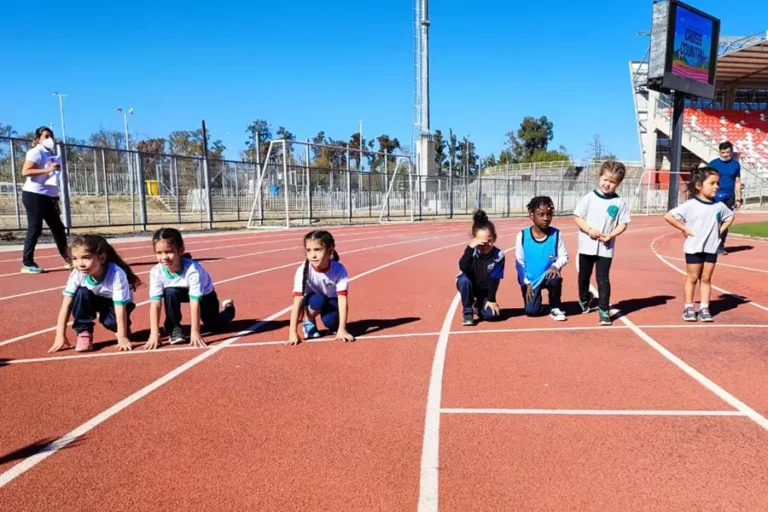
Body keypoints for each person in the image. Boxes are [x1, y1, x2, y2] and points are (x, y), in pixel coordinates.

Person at [144, 228, 235, 350]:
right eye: (159, 253)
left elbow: (195, 301)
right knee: (170, 291)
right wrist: (154, 334)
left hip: (204, 295)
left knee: (214, 326)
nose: (164, 257)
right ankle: (174, 327)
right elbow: (155, 303)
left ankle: (229, 310)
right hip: (177, 292)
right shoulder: (156, 271)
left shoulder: (193, 270)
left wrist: (195, 331)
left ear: (181, 250)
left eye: (169, 252)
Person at [664, 167, 735, 322]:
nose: (716, 186)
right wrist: (684, 228)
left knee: (706, 278)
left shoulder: (719, 205)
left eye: (717, 183)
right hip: (694, 247)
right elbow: (669, 216)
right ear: (699, 185)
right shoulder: (691, 205)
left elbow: (730, 217)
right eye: (712, 183)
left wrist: (719, 231)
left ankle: (704, 307)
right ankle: (689, 307)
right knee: (693, 277)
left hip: (711, 247)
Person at [49, 235, 141, 353]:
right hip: (92, 299)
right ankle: (83, 332)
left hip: (114, 304)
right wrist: (60, 335)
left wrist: (122, 337)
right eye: (75, 258)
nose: (80, 264)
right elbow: (66, 305)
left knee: (111, 323)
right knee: (82, 292)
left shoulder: (116, 274)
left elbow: (120, 307)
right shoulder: (77, 273)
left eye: (86, 258)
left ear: (102, 258)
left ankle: (122, 328)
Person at [573, 160, 631, 326]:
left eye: (612, 182)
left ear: (618, 184)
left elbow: (623, 224)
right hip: (586, 246)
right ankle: (584, 298)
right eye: (605, 179)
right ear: (600, 178)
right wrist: (589, 230)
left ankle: (603, 310)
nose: (608, 184)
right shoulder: (589, 198)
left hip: (605, 249)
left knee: (602, 279)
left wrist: (611, 235)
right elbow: (578, 217)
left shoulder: (619, 203)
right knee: (583, 277)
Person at [288, 230, 354, 345]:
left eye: (317, 249)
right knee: (319, 299)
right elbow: (297, 302)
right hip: (312, 300)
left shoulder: (339, 269)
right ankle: (309, 322)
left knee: (332, 323)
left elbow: (342, 300)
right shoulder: (302, 270)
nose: (313, 255)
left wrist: (342, 329)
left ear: (330, 250)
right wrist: (292, 332)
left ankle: (334, 324)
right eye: (309, 250)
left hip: (331, 300)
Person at [20, 127, 71, 274]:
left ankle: (68, 259)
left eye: (51, 136)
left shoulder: (52, 154)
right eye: (46, 136)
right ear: (38, 139)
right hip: (34, 194)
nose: (50, 139)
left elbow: (54, 176)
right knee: (35, 228)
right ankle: (27, 262)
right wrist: (47, 170)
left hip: (49, 196)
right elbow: (26, 172)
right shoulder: (36, 152)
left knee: (58, 228)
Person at [515, 196, 568, 320]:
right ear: (531, 214)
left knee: (555, 277)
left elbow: (563, 256)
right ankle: (537, 304)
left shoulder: (556, 234)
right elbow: (519, 262)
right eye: (541, 214)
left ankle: (555, 307)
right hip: (530, 280)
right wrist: (526, 283)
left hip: (548, 275)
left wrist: (555, 266)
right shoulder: (522, 236)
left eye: (549, 214)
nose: (546, 218)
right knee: (531, 311)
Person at [457, 209, 505, 326]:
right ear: (474, 239)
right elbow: (463, 267)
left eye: (489, 241)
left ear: (494, 238)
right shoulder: (472, 252)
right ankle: (468, 311)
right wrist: (470, 247)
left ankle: (478, 306)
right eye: (481, 242)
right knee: (464, 280)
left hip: (484, 290)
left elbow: (495, 280)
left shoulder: (499, 255)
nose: (485, 246)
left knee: (492, 315)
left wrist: (491, 299)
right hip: (469, 285)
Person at [708, 141, 742, 254]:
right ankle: (709, 243)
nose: (725, 155)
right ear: (719, 152)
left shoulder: (735, 165)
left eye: (727, 152)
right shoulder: (713, 164)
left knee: (725, 221)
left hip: (729, 196)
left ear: (731, 152)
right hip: (714, 196)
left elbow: (737, 181)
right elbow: (707, 180)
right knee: (712, 221)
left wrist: (739, 199)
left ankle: (720, 245)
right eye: (723, 152)